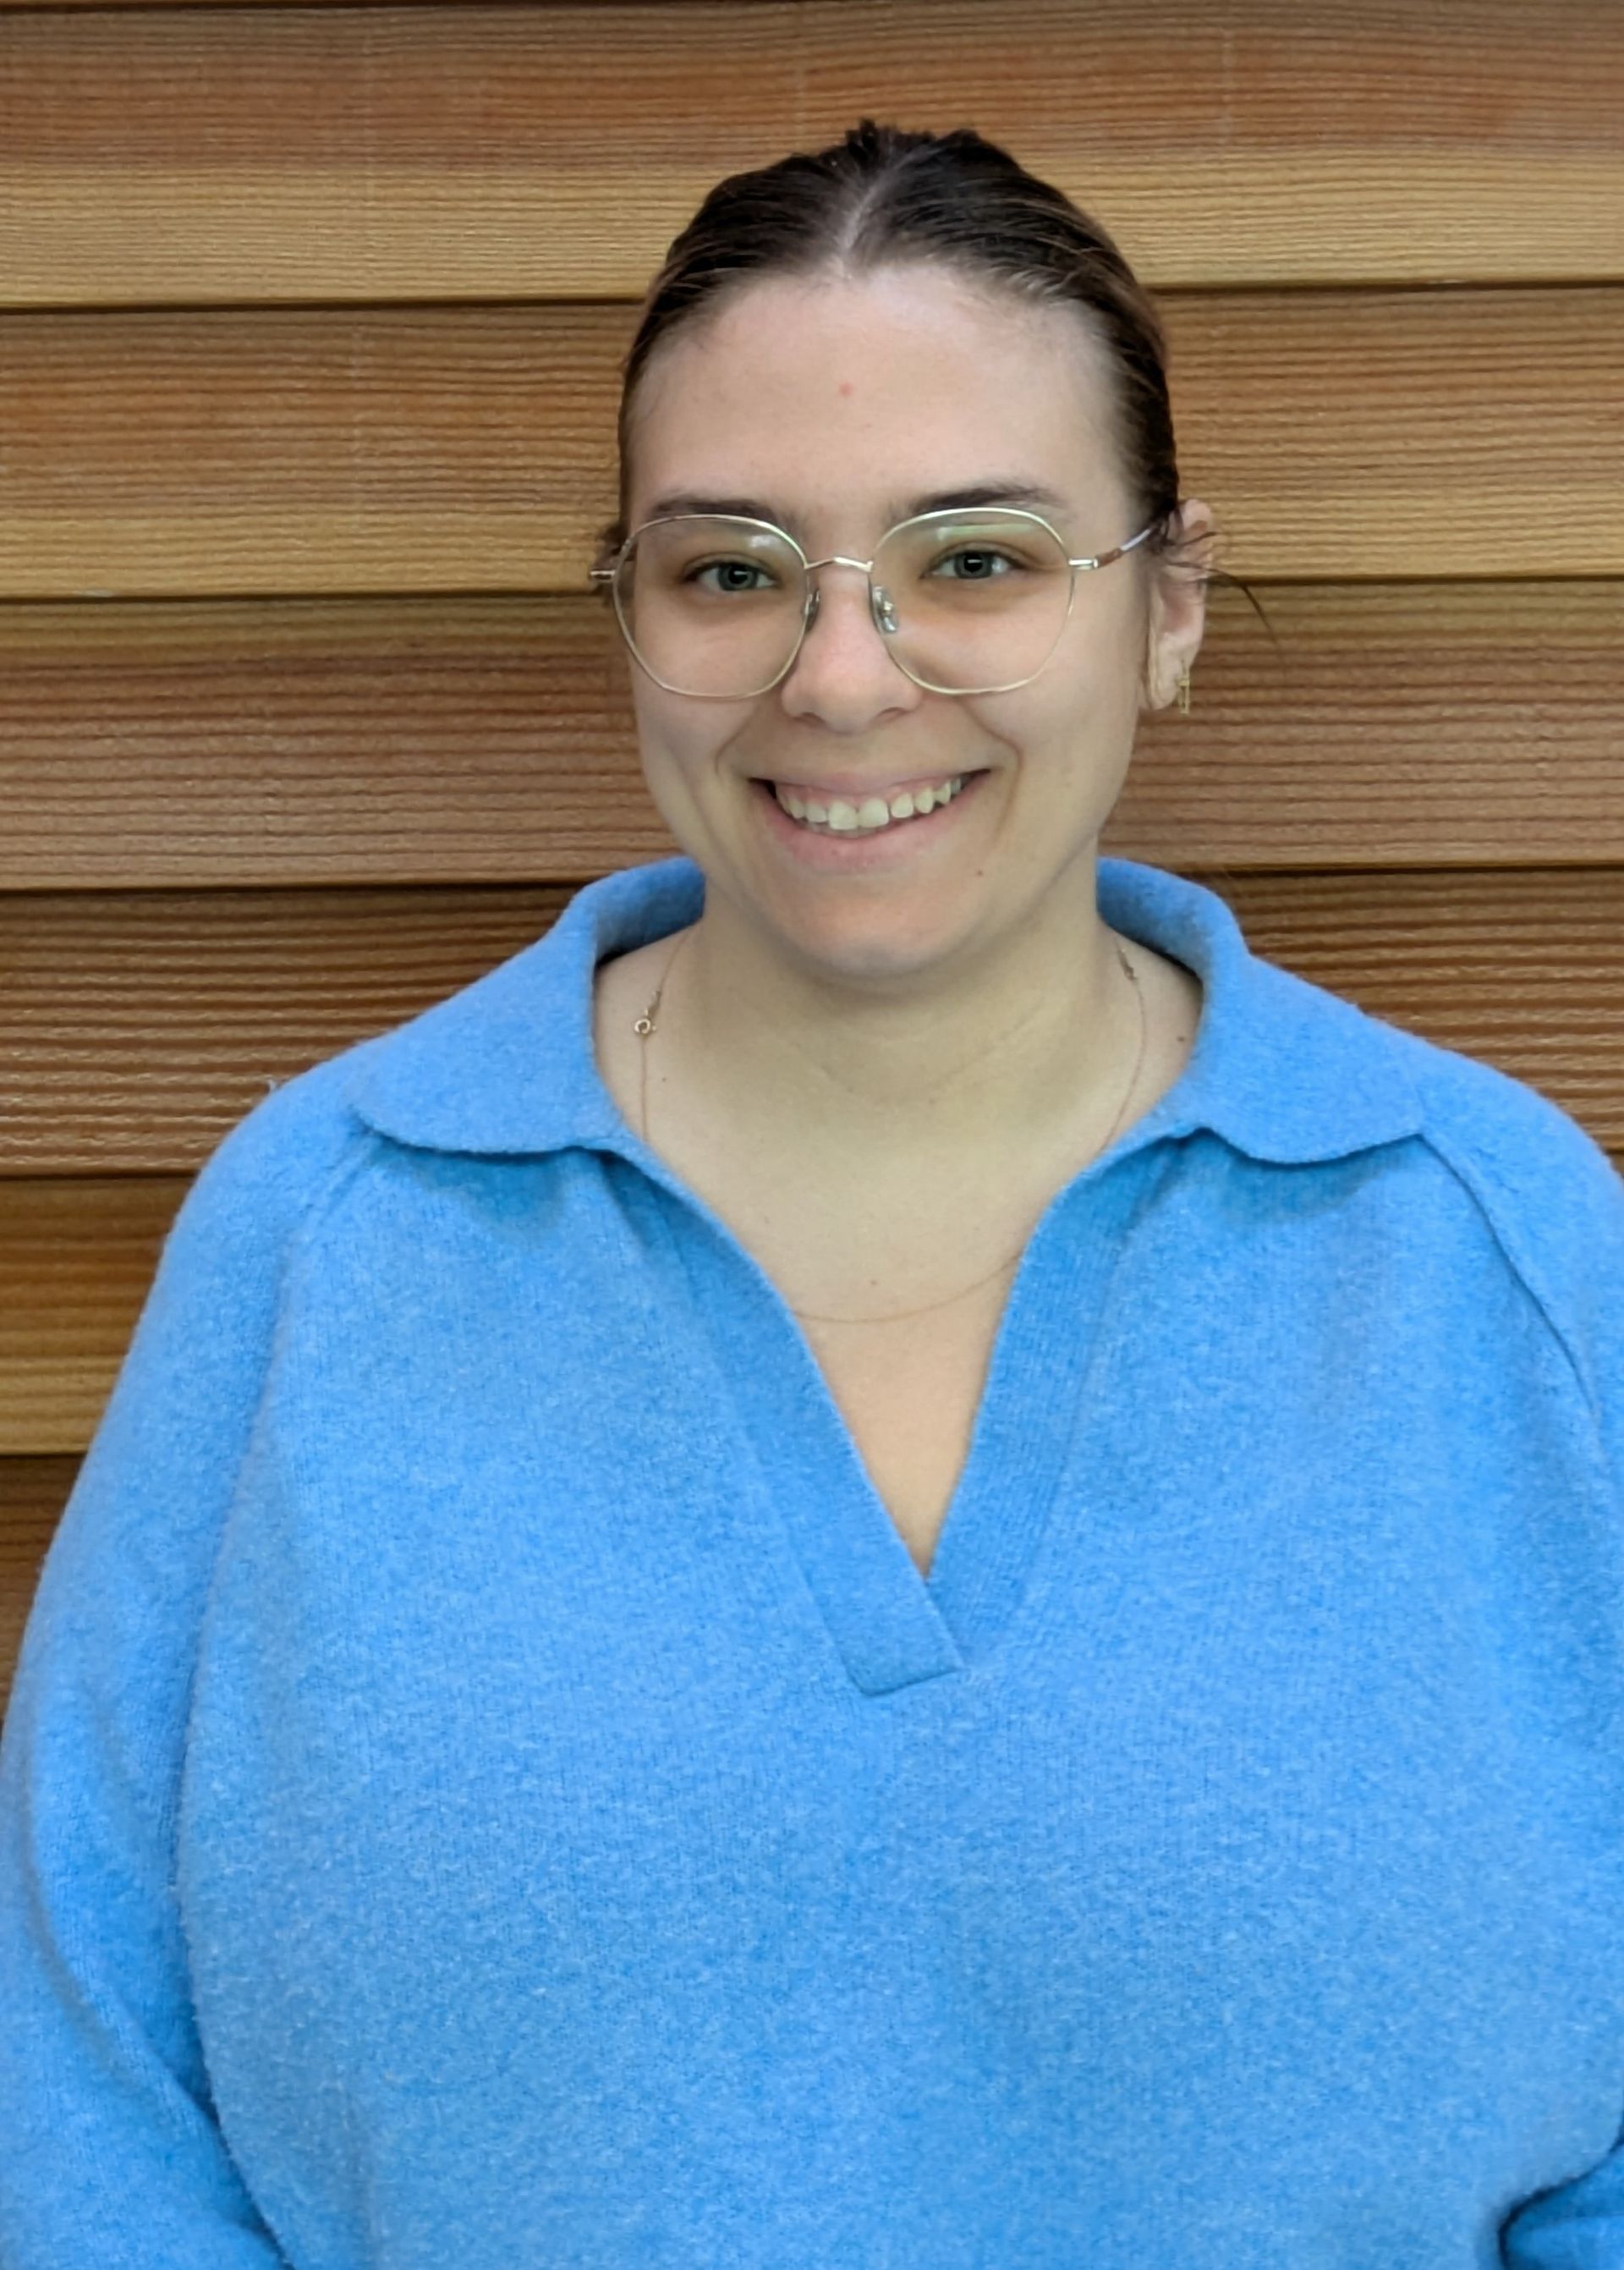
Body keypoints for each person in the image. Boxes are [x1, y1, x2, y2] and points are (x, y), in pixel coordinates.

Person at [1, 118, 1621, 2270]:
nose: (842, 678)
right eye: (733, 569)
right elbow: (85, 2089)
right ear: (635, 614)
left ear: (1170, 610)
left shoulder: (1495, 1236)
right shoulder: (321, 1231)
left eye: (975, 558)